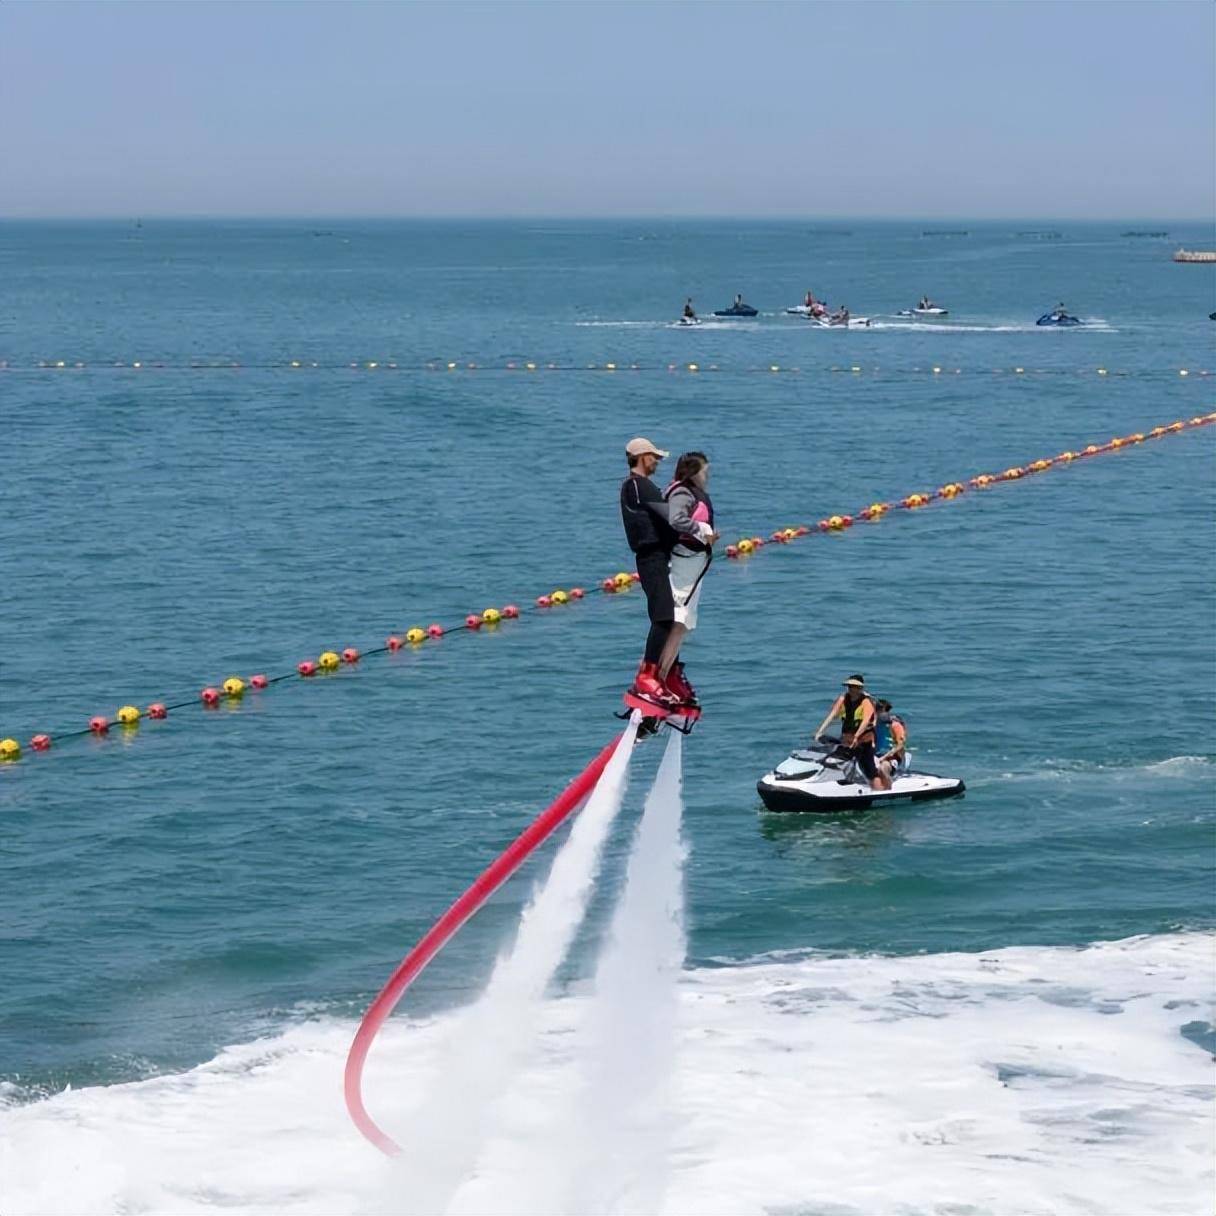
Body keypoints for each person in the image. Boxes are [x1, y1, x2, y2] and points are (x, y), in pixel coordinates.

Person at [619, 437, 680, 709]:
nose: (657, 461)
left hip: (658, 557)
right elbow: (670, 516)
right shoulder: (637, 485)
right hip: (651, 557)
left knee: (671, 617)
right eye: (654, 457)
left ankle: (666, 673)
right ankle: (648, 674)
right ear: (642, 457)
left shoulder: (641, 487)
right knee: (663, 616)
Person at [657, 452, 717, 704]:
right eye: (705, 471)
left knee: (683, 625)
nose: (708, 476)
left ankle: (668, 676)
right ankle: (657, 678)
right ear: (693, 473)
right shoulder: (683, 492)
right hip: (682, 565)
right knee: (677, 621)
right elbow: (676, 519)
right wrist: (702, 531)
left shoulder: (692, 493)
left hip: (694, 567)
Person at [813, 675, 881, 789]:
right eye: (849, 686)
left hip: (864, 739)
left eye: (854, 686)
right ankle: (833, 783)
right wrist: (820, 731)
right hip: (847, 738)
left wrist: (857, 736)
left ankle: (880, 791)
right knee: (836, 757)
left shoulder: (866, 702)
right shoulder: (843, 698)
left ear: (860, 688)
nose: (850, 689)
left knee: (869, 769)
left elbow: (865, 722)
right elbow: (832, 715)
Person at [873, 699, 908, 790]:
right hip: (876, 755)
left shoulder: (895, 725)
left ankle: (888, 790)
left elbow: (900, 745)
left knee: (882, 769)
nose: (877, 713)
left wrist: (883, 758)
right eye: (876, 710)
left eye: (879, 710)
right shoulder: (874, 724)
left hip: (892, 757)